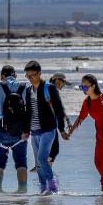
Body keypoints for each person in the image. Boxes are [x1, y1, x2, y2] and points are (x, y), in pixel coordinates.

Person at [66, 73, 103, 194]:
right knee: (98, 162)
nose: (83, 89)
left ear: (93, 86)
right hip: (100, 134)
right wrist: (71, 131)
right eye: (81, 87)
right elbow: (81, 117)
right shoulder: (87, 102)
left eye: (85, 87)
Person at [0, 65, 29, 189]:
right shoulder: (25, 87)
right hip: (20, 132)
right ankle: (22, 190)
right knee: (21, 163)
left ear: (2, 76)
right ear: (15, 76)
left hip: (1, 129)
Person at [23, 61, 65, 195]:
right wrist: (26, 130)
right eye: (28, 76)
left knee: (42, 158)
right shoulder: (28, 90)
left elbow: (58, 108)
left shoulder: (49, 88)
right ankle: (43, 187)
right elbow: (28, 111)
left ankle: (52, 185)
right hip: (34, 131)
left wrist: (62, 129)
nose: (30, 78)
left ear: (39, 73)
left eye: (33, 75)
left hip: (48, 130)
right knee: (38, 162)